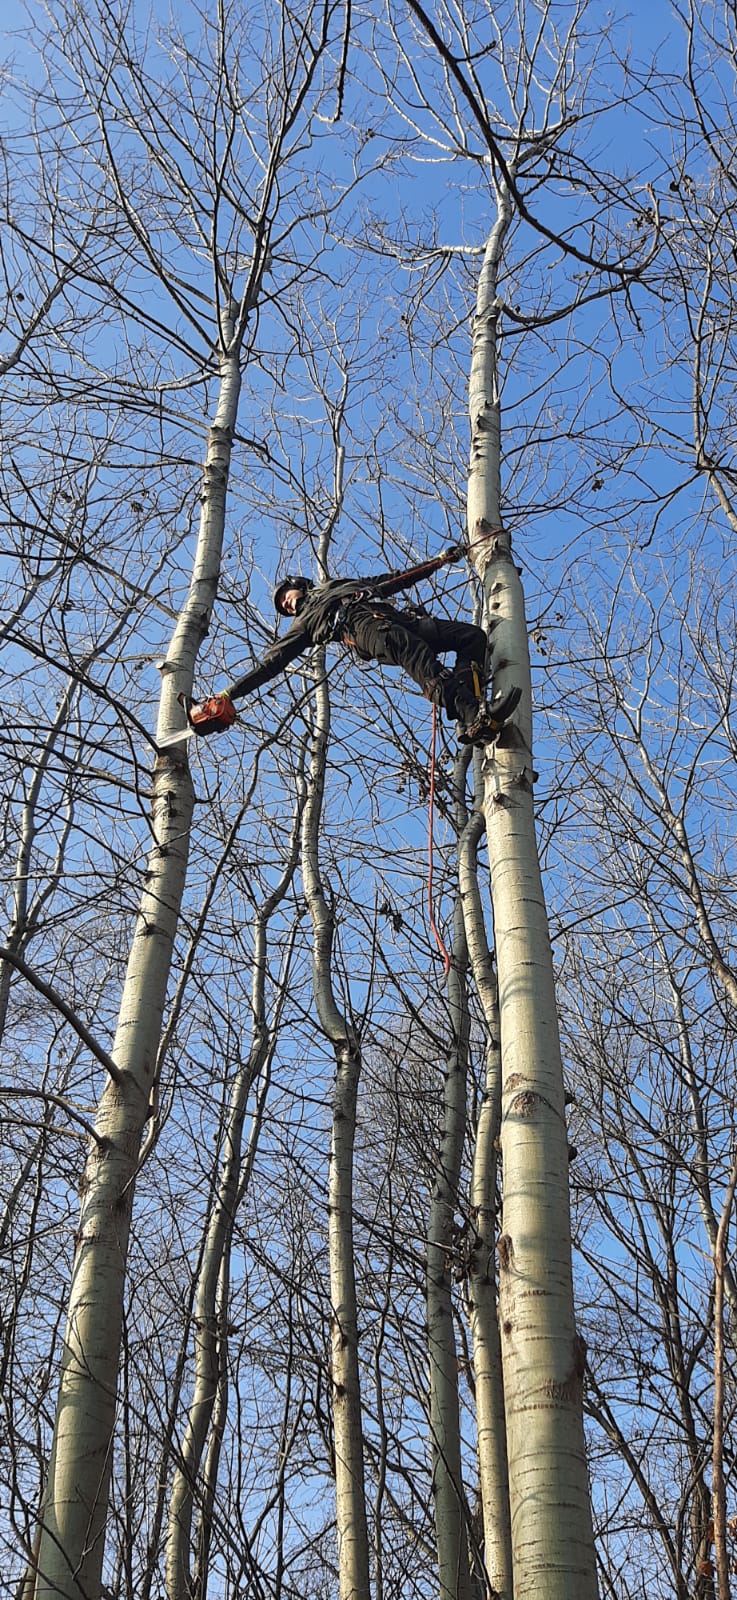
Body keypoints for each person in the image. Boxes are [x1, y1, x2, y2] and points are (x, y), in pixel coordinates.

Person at [191, 546, 520, 744]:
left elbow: (396, 579)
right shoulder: (305, 622)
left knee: (471, 637)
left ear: (297, 585)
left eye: (285, 599)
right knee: (414, 653)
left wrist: (439, 561)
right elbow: (273, 662)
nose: (287, 606)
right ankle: (471, 715)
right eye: (283, 608)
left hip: (398, 619)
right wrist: (229, 694)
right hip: (363, 629)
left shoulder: (344, 585)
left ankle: (473, 709)